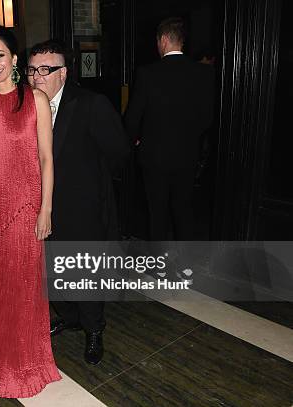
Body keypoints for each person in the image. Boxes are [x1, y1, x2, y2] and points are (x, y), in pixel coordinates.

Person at [0, 25, 61, 398]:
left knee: (23, 288)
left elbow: (46, 159)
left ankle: (25, 365)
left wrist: (46, 209)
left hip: (25, 210)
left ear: (15, 58)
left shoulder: (34, 98)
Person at [27, 40, 130, 365]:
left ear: (64, 73)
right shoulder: (26, 106)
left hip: (83, 207)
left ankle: (94, 329)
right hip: (41, 207)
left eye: (46, 70)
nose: (37, 77)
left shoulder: (91, 103)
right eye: (32, 70)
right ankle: (70, 317)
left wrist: (94, 183)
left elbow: (120, 153)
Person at [125, 17, 214, 250]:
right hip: (187, 155)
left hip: (153, 157)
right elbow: (208, 117)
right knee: (183, 209)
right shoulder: (203, 73)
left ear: (163, 40)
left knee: (158, 213)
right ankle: (186, 262)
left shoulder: (148, 73)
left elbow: (133, 117)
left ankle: (159, 264)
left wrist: (135, 139)